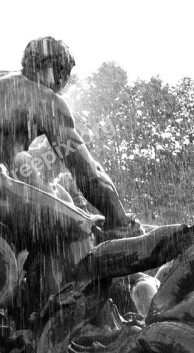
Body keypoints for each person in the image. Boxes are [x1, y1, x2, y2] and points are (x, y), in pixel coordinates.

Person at [0, 37, 136, 231]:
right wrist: (120, 219)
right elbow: (89, 173)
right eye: (65, 77)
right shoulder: (46, 100)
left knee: (72, 215)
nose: (63, 86)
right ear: (55, 71)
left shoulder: (6, 80)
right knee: (80, 229)